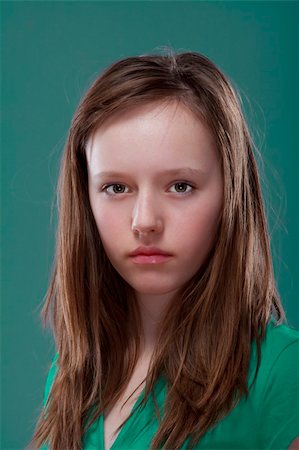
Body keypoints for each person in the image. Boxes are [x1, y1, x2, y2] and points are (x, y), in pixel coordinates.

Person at [28, 50, 299, 450]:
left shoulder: (282, 372)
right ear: (85, 199)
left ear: (231, 195)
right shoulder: (71, 373)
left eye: (180, 186)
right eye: (116, 188)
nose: (145, 221)